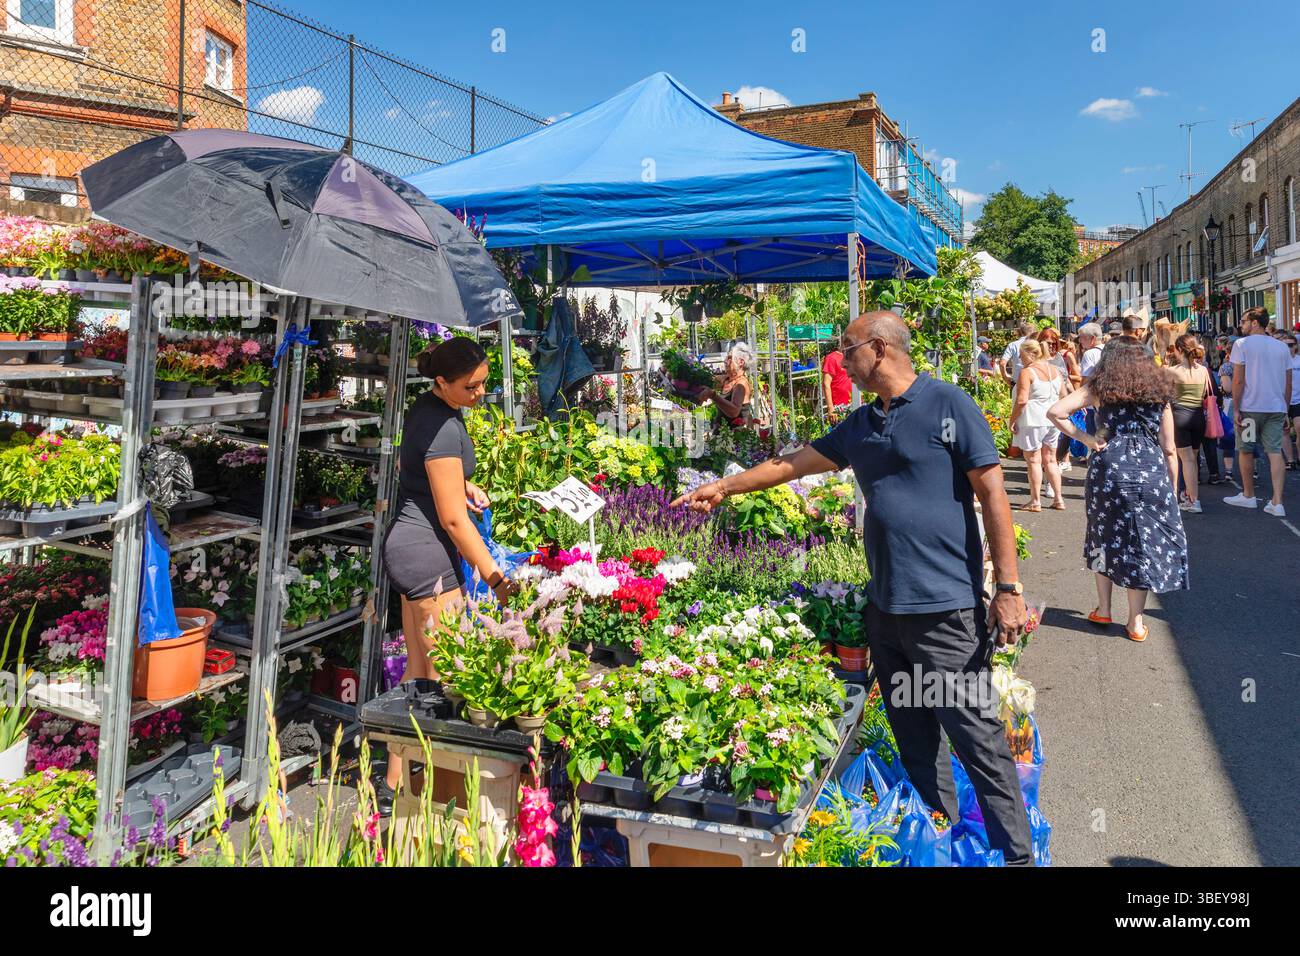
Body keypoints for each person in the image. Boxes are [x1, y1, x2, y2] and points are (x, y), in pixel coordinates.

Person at [672, 311, 1035, 865]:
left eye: (849, 348)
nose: (841, 359)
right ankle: (941, 833)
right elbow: (792, 464)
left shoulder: (947, 404)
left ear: (882, 348)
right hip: (886, 610)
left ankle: (1017, 856)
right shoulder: (862, 423)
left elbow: (993, 494)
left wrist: (1008, 587)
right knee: (913, 734)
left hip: (946, 611)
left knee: (978, 739)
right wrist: (724, 485)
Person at [377, 337, 519, 813]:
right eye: (471, 386)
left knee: (420, 682)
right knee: (448, 690)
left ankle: (395, 788)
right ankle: (438, 801)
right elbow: (455, 521)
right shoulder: (442, 426)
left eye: (483, 383)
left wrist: (461, 482)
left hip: (411, 547)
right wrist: (495, 578)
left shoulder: (426, 409)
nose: (480, 393)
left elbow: (416, 471)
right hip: (427, 555)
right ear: (442, 382)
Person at [1048, 340, 1188, 642]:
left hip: (1109, 467)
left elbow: (1056, 412)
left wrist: (1087, 439)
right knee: (1145, 539)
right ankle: (1136, 622)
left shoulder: (1100, 388)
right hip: (1150, 469)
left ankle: (1104, 608)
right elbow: (1169, 447)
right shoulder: (1160, 389)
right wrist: (1172, 490)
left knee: (1103, 534)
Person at [1224, 307, 1293, 516]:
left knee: (1245, 449)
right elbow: (1288, 382)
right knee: (1274, 451)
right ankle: (1277, 502)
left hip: (1249, 408)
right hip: (1275, 408)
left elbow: (1238, 379)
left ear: (1255, 322)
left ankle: (1248, 495)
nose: (1241, 325)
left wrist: (1235, 408)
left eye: (1244, 321)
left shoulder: (1241, 344)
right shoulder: (1281, 347)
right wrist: (1286, 409)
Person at [1011, 339, 1067, 511]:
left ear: (1030, 354)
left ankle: (1035, 501)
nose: (1020, 359)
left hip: (1032, 419)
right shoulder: (1055, 370)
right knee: (1051, 460)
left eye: (1021, 355)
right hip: (1052, 419)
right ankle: (1058, 499)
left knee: (1033, 461)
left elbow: (1021, 400)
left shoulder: (1027, 372)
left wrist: (1012, 419)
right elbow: (1064, 395)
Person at [1167, 333, 1214, 513]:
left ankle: (1192, 500)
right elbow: (1204, 394)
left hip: (1180, 416)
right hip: (1198, 417)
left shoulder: (1173, 371)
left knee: (1185, 460)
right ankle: (1190, 495)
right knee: (1192, 459)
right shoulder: (1203, 370)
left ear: (1179, 350)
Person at [1037, 327, 1079, 474]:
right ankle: (1047, 468)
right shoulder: (1034, 358)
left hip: (1057, 402)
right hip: (1040, 404)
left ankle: (1051, 468)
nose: (1050, 346)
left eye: (1053, 343)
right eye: (1047, 342)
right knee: (1043, 442)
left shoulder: (1059, 358)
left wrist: (1074, 399)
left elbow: (1066, 381)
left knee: (1057, 440)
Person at [699, 343, 756, 428]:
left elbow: (734, 412)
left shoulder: (741, 384)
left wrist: (713, 396)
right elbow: (707, 381)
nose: (725, 361)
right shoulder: (728, 379)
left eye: (729, 358)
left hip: (736, 436)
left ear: (741, 362)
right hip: (723, 433)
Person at [999, 320, 1038, 390]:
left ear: (1021, 332)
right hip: (1034, 382)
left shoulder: (1013, 345)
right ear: (1032, 332)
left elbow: (1002, 363)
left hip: (1017, 383)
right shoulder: (1036, 344)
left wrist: (1005, 378)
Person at [821, 345, 853, 416]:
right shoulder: (831, 358)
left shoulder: (852, 357)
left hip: (853, 404)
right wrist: (830, 407)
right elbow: (826, 384)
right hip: (839, 407)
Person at [1285, 333, 1300, 470]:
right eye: (1286, 345)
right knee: (1285, 430)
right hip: (1282, 400)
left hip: (1297, 400)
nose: (1288, 348)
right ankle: (1290, 460)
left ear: (1295, 346)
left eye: (1291, 345)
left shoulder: (1299, 361)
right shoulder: (1279, 361)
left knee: (1299, 427)